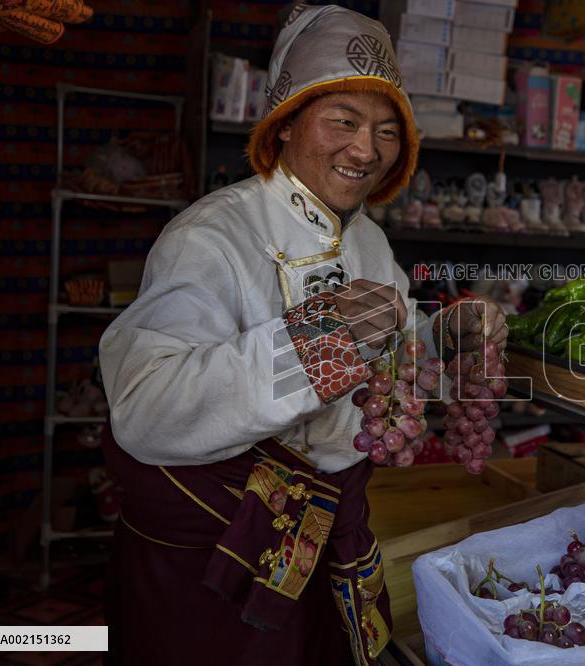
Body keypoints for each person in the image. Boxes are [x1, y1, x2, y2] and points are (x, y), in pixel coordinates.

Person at [97, 5, 508, 665]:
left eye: (385, 131)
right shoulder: (213, 235)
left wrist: (443, 337)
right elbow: (146, 406)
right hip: (216, 555)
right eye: (342, 120)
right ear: (285, 124)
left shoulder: (369, 240)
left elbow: (391, 362)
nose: (365, 149)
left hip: (325, 536)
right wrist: (323, 340)